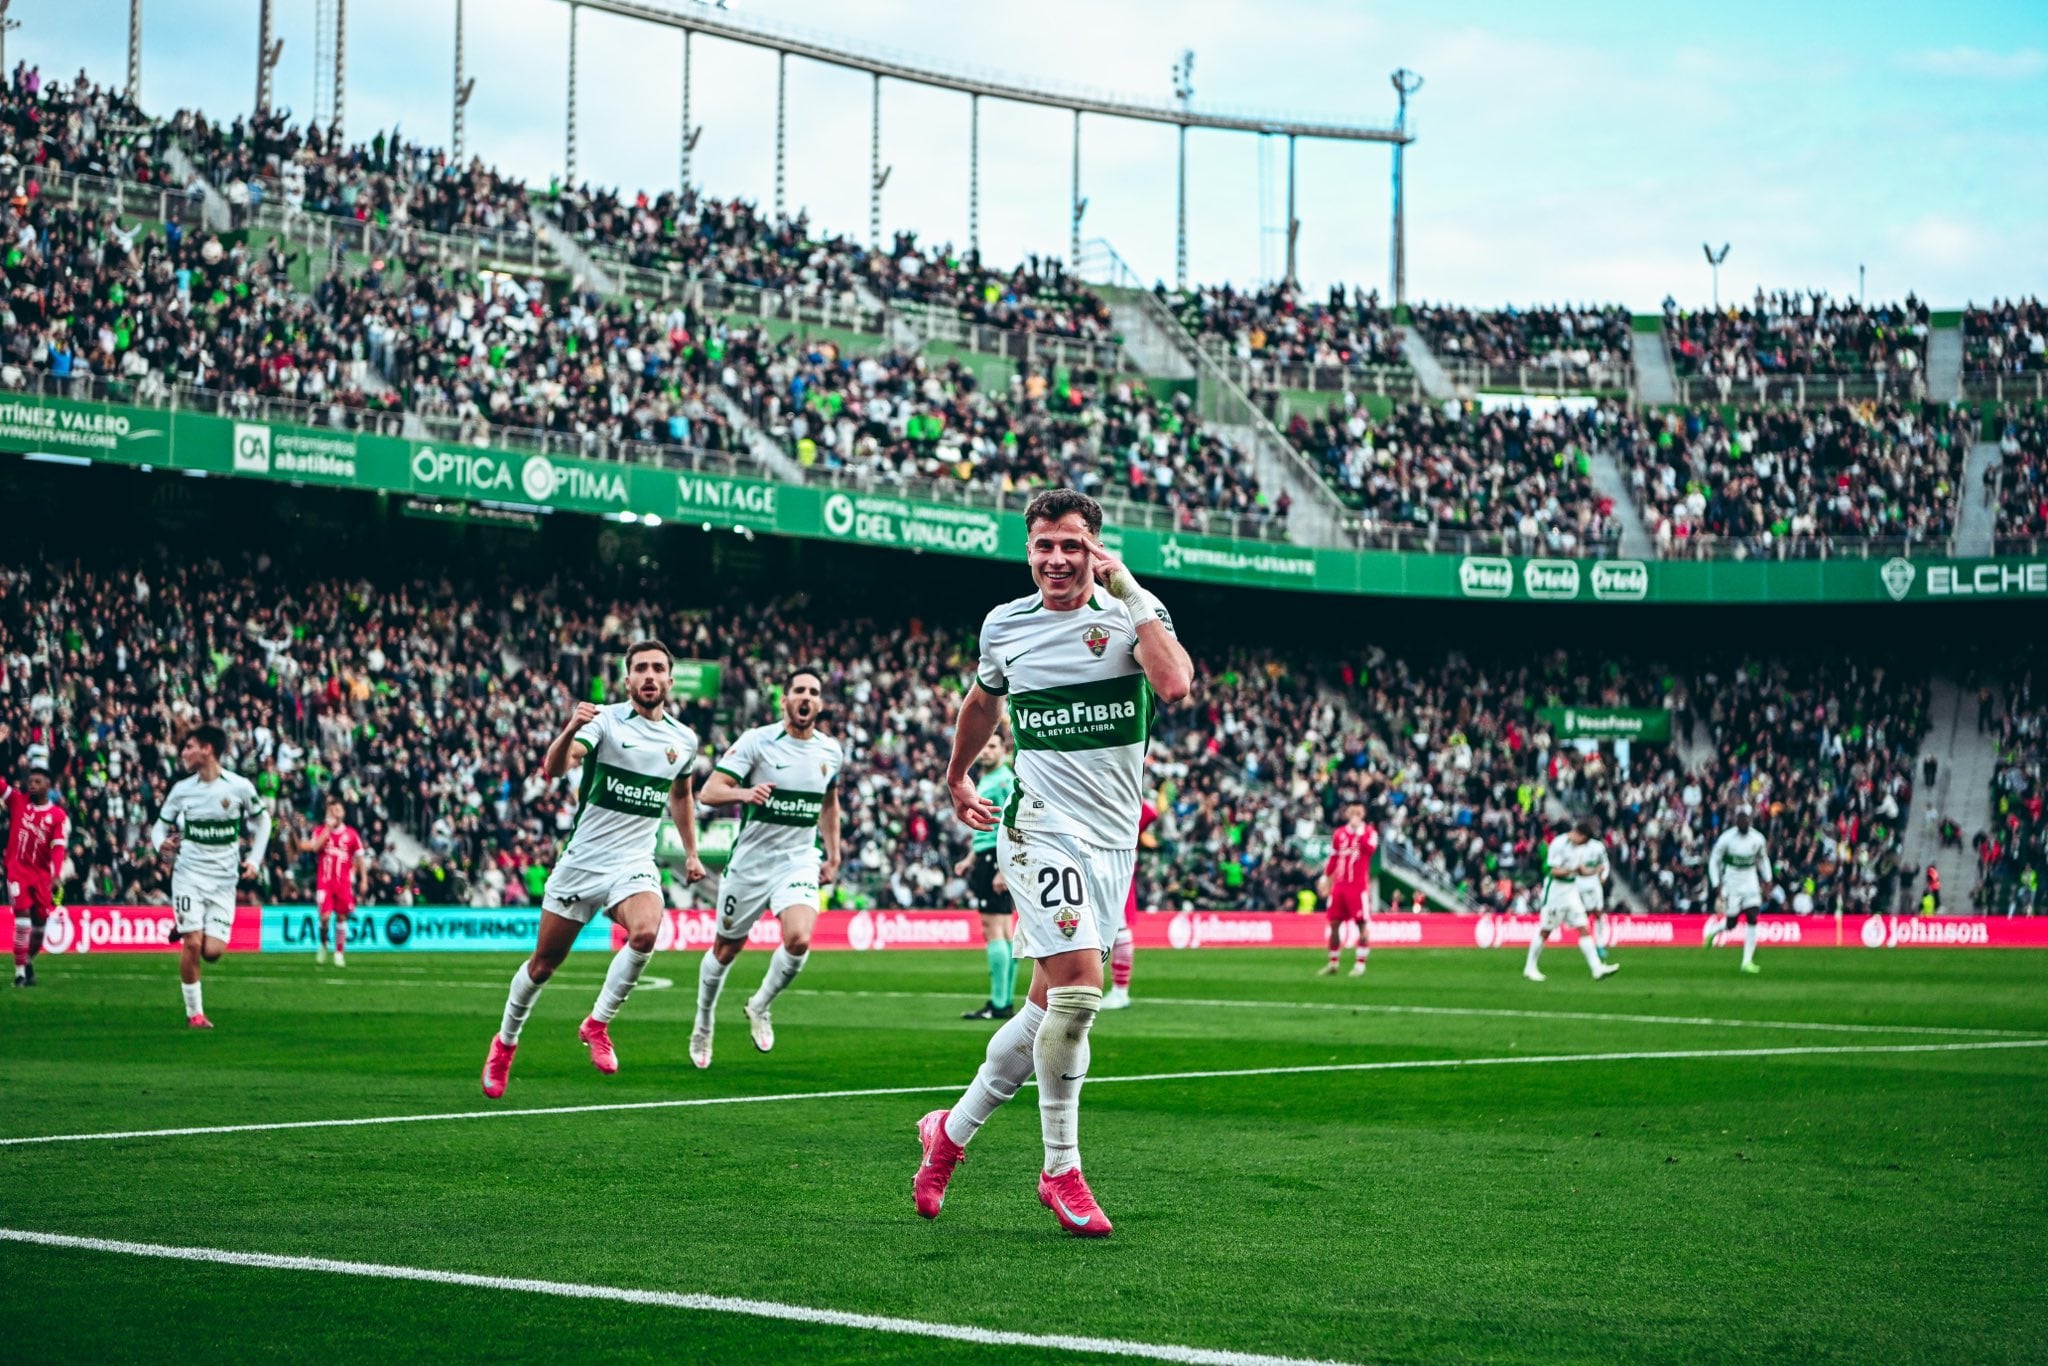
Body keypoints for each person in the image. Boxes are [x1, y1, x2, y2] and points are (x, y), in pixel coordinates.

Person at [914, 488, 1193, 1238]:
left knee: (1043, 1009)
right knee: (1077, 992)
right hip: (1039, 828)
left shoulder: (1133, 613)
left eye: (1072, 545)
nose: (1057, 560)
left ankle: (950, 1133)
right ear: (1028, 549)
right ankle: (1060, 1170)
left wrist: (1131, 590)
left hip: (1111, 843)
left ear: (1096, 550)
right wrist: (956, 774)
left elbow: (1174, 684)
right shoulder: (1006, 624)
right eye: (1044, 545)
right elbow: (983, 701)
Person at [482, 641, 705, 1097]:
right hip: (583, 863)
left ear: (669, 680)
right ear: (627, 680)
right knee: (544, 965)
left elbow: (680, 796)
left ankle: (597, 1023)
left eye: (657, 668)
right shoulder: (604, 720)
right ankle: (505, 1043)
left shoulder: (683, 740)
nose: (649, 675)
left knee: (645, 933)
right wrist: (571, 728)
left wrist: (691, 852)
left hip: (633, 863)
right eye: (640, 668)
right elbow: (556, 766)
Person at [690, 669, 844, 1068]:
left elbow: (829, 803)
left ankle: (760, 1005)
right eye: (798, 691)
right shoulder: (758, 741)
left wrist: (833, 853)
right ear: (785, 700)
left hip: (798, 859)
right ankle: (703, 1022)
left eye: (813, 691)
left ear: (820, 703)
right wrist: (745, 792)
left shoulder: (831, 751)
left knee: (799, 939)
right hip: (751, 863)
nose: (805, 697)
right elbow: (708, 792)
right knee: (726, 949)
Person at [148, 725, 271, 1028]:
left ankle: (188, 924)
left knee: (212, 952)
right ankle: (195, 1014)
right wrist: (159, 845)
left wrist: (254, 860)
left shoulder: (239, 787)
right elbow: (159, 828)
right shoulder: (182, 789)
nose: (184, 753)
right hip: (188, 874)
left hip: (224, 881)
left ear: (208, 749)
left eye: (189, 747)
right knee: (192, 944)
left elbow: (264, 821)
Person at [955, 733, 1018, 1020]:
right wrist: (971, 857)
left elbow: (1014, 822)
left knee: (994, 929)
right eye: (983, 746)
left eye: (992, 746)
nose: (985, 752)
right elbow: (988, 825)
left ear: (1004, 750)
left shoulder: (1004, 780)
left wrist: (1003, 867)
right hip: (988, 855)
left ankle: (998, 1003)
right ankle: (1003, 1001)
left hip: (996, 858)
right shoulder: (991, 779)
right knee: (1004, 930)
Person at [1525, 819, 1619, 983]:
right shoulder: (1558, 844)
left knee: (1583, 926)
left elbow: (1581, 871)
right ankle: (1530, 967)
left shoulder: (1580, 848)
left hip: (1571, 891)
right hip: (1555, 891)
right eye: (1583, 840)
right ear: (1578, 834)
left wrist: (1594, 872)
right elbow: (1554, 871)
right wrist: (1573, 870)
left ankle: (1596, 968)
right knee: (1546, 930)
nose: (1583, 844)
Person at [2, 768, 68, 987]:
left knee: (39, 928)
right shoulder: (17, 802)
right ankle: (19, 973)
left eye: (37, 781)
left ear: (48, 786)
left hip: (41, 876)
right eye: (30, 781)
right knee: (22, 921)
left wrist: (56, 874)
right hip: (17, 871)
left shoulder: (57, 815)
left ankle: (27, 960)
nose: (32, 785)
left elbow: (58, 848)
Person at [299, 796, 368, 966]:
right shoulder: (321, 831)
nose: (335, 813)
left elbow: (360, 858)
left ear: (343, 813)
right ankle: (323, 943)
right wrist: (328, 829)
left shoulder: (352, 835)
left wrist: (363, 880)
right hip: (325, 882)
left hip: (343, 883)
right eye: (331, 811)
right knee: (324, 917)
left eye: (337, 810)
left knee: (342, 917)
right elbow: (315, 848)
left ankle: (339, 952)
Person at [1705, 803, 1772, 974]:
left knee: (1753, 914)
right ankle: (1715, 930)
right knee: (1732, 923)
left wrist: (1768, 879)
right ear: (1736, 819)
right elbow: (1714, 860)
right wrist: (1716, 883)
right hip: (1732, 883)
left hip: (1750, 881)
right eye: (1740, 818)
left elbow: (1763, 859)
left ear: (1750, 819)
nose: (1743, 821)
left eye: (1746, 818)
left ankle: (1746, 962)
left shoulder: (1757, 839)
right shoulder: (1726, 839)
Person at [1103, 799, 1156, 1009]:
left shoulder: (1119, 793)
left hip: (1115, 865)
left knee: (1119, 928)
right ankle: (1115, 990)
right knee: (1113, 928)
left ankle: (1120, 990)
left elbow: (1150, 810)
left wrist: (1129, 833)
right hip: (1109, 861)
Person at [1317, 800, 1377, 977]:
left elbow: (1370, 849)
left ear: (1363, 814)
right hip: (1339, 886)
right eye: (1352, 812)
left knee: (1361, 924)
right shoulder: (1339, 834)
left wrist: (1359, 833)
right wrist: (1325, 878)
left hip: (1357, 887)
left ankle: (1360, 964)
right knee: (1334, 923)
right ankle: (1333, 962)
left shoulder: (1369, 833)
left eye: (1358, 812)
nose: (1355, 815)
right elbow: (1334, 858)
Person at [1577, 825, 1614, 961]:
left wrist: (1603, 876)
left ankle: (1599, 945)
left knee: (1598, 913)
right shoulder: (1576, 848)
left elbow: (1605, 863)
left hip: (1594, 884)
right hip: (1580, 885)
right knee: (1584, 915)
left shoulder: (1598, 847)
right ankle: (1586, 944)